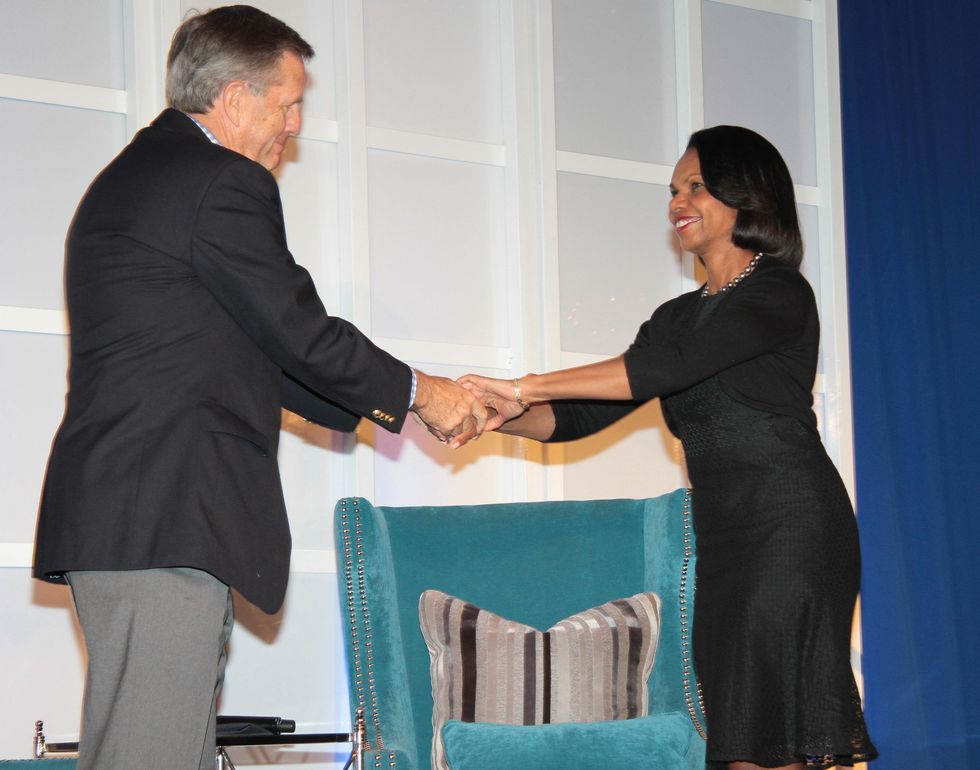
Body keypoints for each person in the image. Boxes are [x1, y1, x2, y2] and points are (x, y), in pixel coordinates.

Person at [33, 6, 485, 769]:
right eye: (288, 103)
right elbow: (298, 330)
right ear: (236, 99)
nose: (294, 125)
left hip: (140, 519)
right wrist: (424, 394)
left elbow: (261, 353)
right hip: (163, 519)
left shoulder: (152, 176)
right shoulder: (217, 180)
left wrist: (404, 404)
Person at [460, 126, 878, 769]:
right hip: (728, 542)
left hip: (792, 528)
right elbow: (576, 416)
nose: (676, 202)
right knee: (742, 741)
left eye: (696, 187)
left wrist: (522, 383)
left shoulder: (779, 292)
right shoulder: (675, 318)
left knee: (776, 747)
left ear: (746, 196)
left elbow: (663, 370)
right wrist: (495, 417)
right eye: (674, 190)